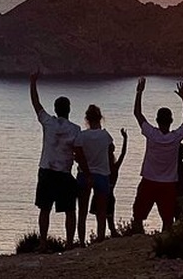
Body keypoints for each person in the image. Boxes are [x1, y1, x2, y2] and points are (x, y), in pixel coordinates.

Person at [132, 77, 183, 233]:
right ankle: (165, 241)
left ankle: (137, 240)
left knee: (138, 216)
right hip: (168, 184)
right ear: (171, 120)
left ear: (157, 120)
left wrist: (139, 92)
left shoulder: (152, 134)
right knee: (167, 219)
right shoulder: (175, 137)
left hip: (149, 181)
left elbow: (137, 114)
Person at [29, 70, 81, 248]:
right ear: (69, 110)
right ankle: (68, 244)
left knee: (45, 209)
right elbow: (78, 151)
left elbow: (36, 104)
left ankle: (43, 243)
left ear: (56, 109)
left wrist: (32, 82)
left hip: (46, 171)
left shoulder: (48, 122)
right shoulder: (75, 129)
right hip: (64, 174)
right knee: (70, 210)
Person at [74, 104, 115, 244]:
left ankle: (81, 241)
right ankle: (100, 238)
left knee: (82, 211)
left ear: (87, 119)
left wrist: (87, 172)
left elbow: (78, 156)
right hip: (102, 175)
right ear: (100, 118)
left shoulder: (81, 136)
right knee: (101, 212)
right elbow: (111, 156)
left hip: (84, 176)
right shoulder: (106, 136)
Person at [90, 128, 128, 237]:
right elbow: (123, 153)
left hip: (102, 194)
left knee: (102, 220)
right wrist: (125, 139)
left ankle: (101, 238)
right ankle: (106, 237)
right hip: (108, 194)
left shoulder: (103, 166)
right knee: (109, 221)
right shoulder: (113, 167)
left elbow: (122, 154)